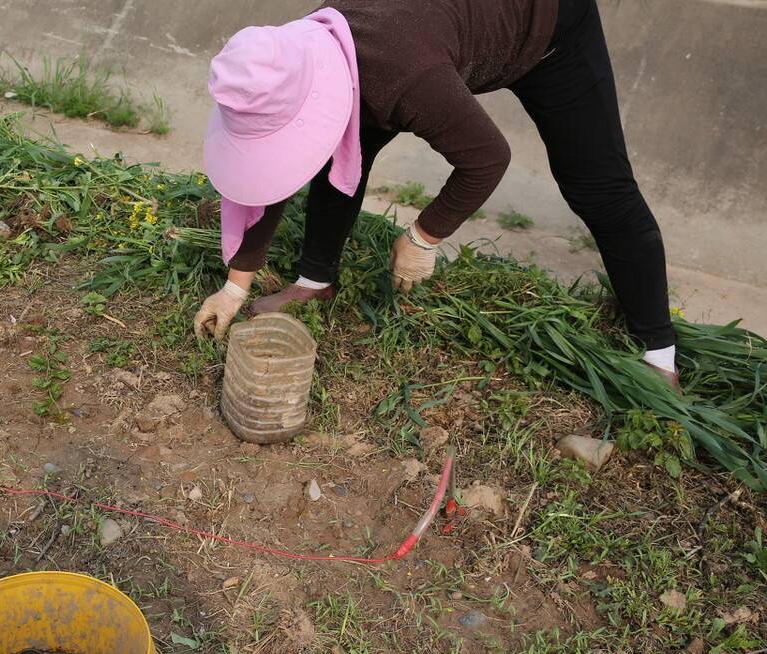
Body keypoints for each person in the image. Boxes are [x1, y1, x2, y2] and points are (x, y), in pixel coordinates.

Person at [193, 0, 680, 388]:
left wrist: (424, 237)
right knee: (342, 145)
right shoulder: (307, 51)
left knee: (598, 188)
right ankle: (316, 281)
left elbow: (488, 158)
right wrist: (236, 285)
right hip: (440, 29)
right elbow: (280, 168)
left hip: (547, 27)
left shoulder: (403, 77)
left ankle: (659, 353)